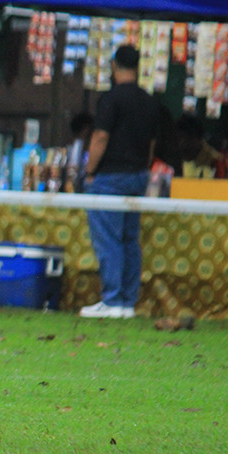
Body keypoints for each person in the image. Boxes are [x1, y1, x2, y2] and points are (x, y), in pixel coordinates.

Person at [79, 45, 158, 319]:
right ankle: (126, 301)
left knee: (109, 240)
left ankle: (111, 299)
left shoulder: (111, 99)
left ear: (114, 66)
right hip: (138, 176)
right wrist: (143, 169)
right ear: (138, 67)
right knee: (129, 240)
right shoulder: (149, 101)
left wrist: (89, 170)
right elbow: (151, 145)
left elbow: (100, 137)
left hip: (110, 178)